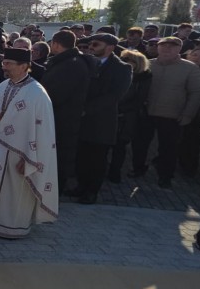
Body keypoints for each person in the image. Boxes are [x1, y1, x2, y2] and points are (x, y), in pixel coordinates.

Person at [0, 48, 58, 239]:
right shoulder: (3, 85)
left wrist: (31, 160)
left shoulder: (37, 94)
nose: (4, 67)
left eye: (9, 64)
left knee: (12, 194)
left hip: (19, 156)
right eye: (4, 63)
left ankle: (10, 228)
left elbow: (43, 133)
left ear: (24, 66)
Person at [131, 37, 200, 188]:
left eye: (172, 46)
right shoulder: (148, 63)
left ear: (180, 49)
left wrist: (188, 114)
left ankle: (165, 176)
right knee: (139, 144)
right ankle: (138, 168)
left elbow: (196, 93)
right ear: (158, 47)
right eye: (163, 45)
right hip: (146, 113)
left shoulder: (190, 68)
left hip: (172, 116)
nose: (167, 49)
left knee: (168, 148)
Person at [68, 33, 132, 204]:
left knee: (97, 159)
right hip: (81, 121)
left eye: (96, 44)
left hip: (101, 123)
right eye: (90, 44)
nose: (90, 47)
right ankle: (81, 186)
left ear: (110, 48)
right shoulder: (85, 63)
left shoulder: (122, 68)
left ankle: (92, 191)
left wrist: (86, 109)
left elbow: (114, 96)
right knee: (81, 156)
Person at [40, 30, 92, 193]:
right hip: (60, 117)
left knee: (60, 157)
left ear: (55, 44)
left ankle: (55, 191)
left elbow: (57, 94)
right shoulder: (67, 62)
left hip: (63, 119)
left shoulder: (71, 65)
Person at [108, 50, 152, 183]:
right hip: (110, 113)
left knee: (120, 146)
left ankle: (115, 173)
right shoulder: (117, 74)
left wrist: (120, 109)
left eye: (128, 60)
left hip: (127, 117)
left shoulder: (143, 78)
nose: (124, 62)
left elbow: (139, 100)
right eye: (123, 59)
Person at [178, 47, 200, 176]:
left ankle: (189, 167)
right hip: (176, 107)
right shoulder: (179, 69)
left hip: (197, 111)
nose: (197, 58)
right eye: (194, 54)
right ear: (188, 56)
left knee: (192, 140)